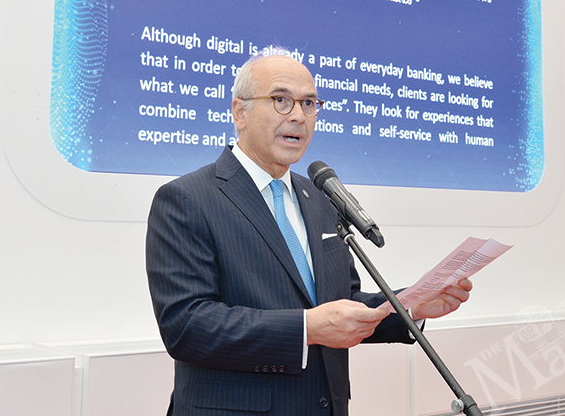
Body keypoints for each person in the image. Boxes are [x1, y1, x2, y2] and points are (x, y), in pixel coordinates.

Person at [146, 52, 472, 416]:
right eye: (281, 100)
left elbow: (342, 302)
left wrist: (409, 305)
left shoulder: (318, 198)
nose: (299, 116)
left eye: (309, 103)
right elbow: (187, 326)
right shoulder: (188, 198)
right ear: (240, 112)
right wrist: (307, 329)